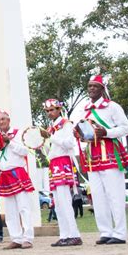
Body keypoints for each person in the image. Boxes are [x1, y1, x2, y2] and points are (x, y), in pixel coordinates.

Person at [75, 74, 128, 245]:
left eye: (95, 86)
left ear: (102, 89)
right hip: (92, 154)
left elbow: (126, 128)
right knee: (98, 196)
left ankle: (120, 233)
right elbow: (84, 131)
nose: (91, 88)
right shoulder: (84, 109)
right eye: (89, 86)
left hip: (110, 152)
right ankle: (105, 232)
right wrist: (79, 134)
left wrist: (106, 132)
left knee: (115, 194)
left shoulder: (112, 107)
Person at [0, 110, 34, 249]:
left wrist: (9, 142)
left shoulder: (18, 133)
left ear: (9, 120)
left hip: (18, 172)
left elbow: (24, 151)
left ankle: (28, 237)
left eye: (3, 119)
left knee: (24, 207)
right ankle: (16, 238)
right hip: (5, 174)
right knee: (10, 209)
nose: (1, 122)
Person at [43, 98, 82, 246]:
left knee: (65, 200)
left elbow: (69, 143)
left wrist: (51, 138)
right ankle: (64, 234)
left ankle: (74, 234)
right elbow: (48, 149)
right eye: (47, 111)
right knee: (57, 202)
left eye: (52, 109)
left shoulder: (66, 124)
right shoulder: (50, 128)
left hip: (64, 161)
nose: (50, 113)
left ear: (59, 109)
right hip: (53, 163)